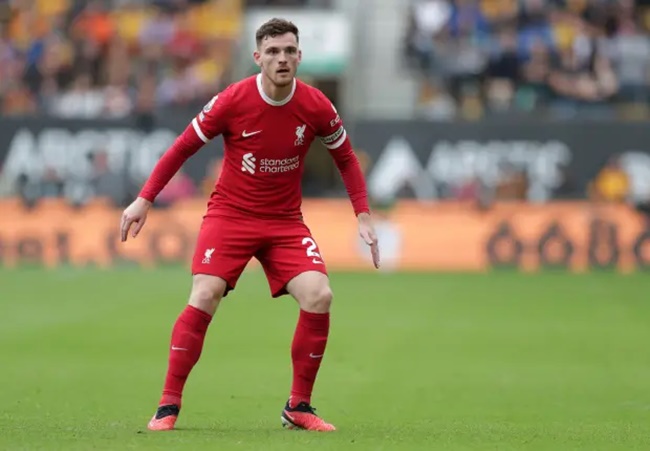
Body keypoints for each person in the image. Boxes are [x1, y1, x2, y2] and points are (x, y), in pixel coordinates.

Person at [119, 18, 380, 433]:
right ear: (257, 57)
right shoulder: (232, 100)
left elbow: (346, 157)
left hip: (284, 222)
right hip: (231, 216)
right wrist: (144, 198)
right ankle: (168, 404)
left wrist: (362, 213)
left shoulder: (316, 105)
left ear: (299, 56)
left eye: (289, 51)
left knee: (320, 295)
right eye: (273, 52)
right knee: (204, 294)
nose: (282, 58)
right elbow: (182, 147)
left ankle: (298, 406)